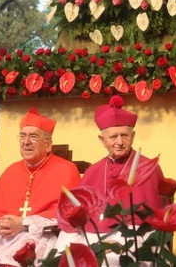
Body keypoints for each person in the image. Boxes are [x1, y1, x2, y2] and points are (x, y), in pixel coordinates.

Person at [0, 107, 81, 265]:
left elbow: (70, 215)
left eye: (33, 137)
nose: (26, 142)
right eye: (22, 136)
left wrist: (23, 223)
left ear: (48, 144)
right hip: (4, 237)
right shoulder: (12, 170)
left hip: (42, 237)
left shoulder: (66, 169)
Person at [55, 95, 164, 259]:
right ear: (102, 140)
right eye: (113, 137)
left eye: (124, 135)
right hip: (92, 238)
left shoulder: (147, 168)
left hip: (135, 241)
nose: (120, 142)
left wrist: (117, 243)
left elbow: (149, 225)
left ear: (132, 136)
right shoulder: (93, 171)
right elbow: (76, 220)